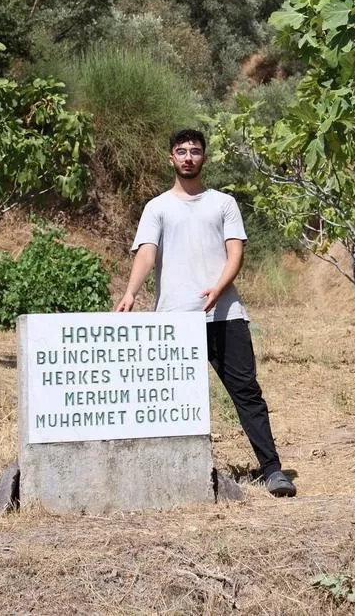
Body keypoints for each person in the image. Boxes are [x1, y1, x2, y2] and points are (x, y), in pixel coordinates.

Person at [114, 128, 296, 497]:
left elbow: (235, 253)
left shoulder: (223, 203)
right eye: (181, 151)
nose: (187, 157)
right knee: (171, 398)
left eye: (195, 151)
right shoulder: (157, 207)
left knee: (246, 393)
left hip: (225, 316)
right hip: (175, 321)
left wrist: (219, 288)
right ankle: (169, 474)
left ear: (204, 158)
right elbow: (146, 253)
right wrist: (131, 293)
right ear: (171, 158)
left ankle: (273, 470)